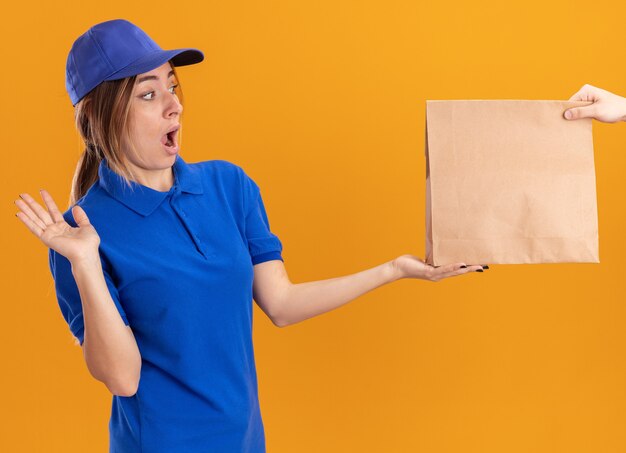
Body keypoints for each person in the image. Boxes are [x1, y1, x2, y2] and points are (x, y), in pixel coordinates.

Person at [14, 19, 486, 453]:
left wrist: (395, 269)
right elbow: (122, 378)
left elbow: (280, 303)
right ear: (99, 116)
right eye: (148, 94)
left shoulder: (229, 186)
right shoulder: (81, 234)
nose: (175, 104)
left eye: (172, 87)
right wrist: (86, 263)